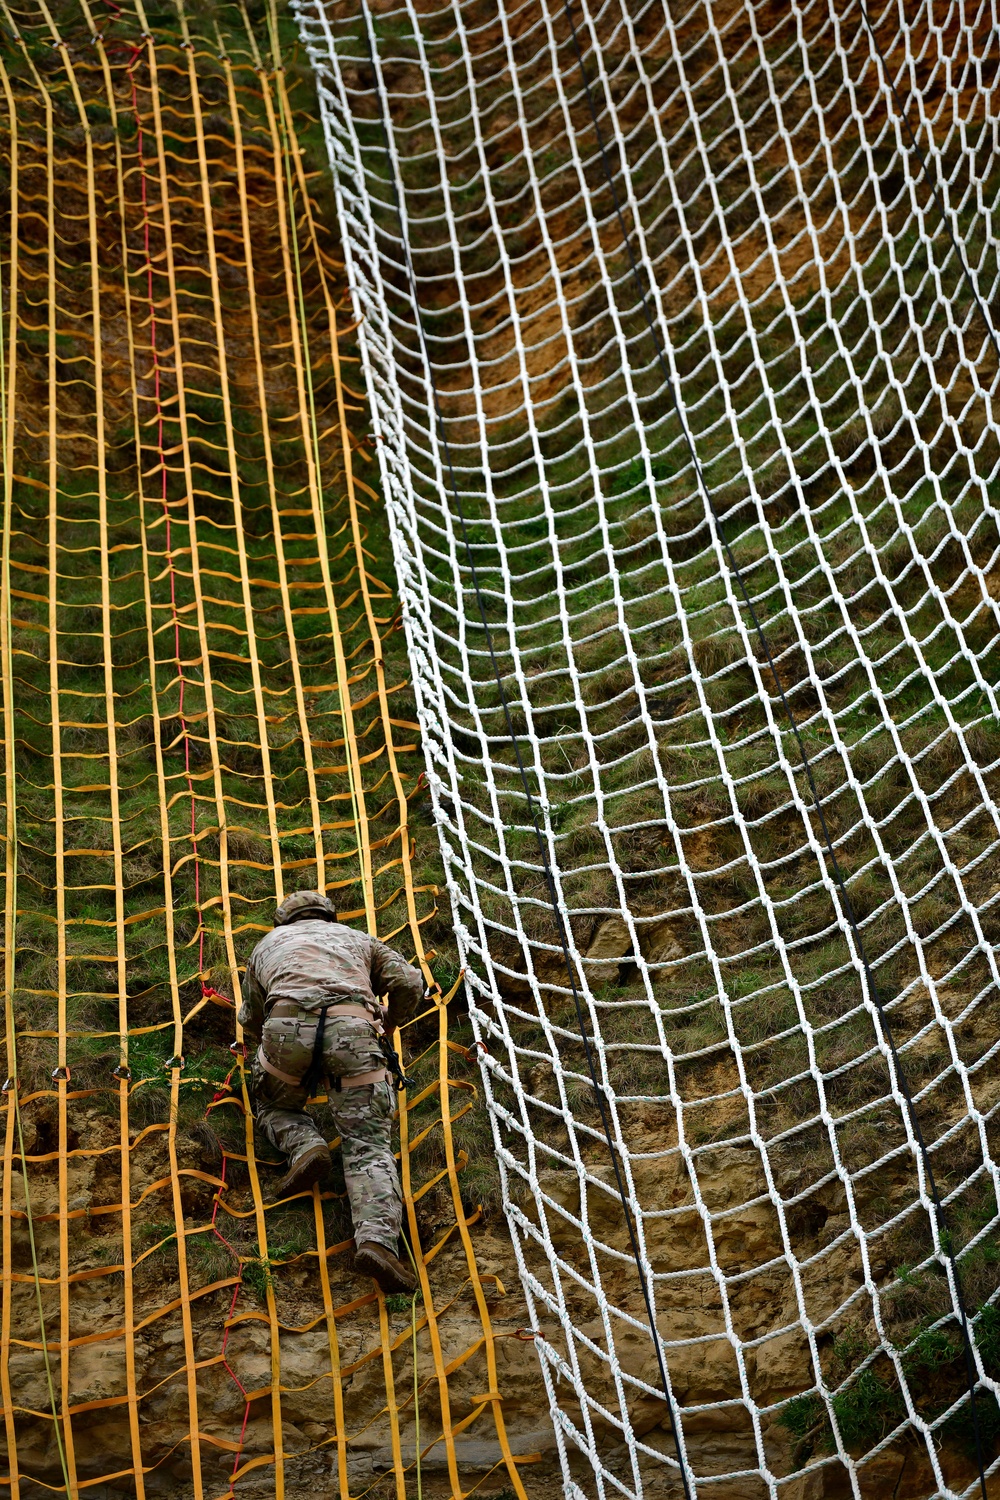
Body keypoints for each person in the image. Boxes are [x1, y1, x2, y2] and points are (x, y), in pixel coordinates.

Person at [238, 889, 426, 1295]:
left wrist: (274, 1051)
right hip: (354, 1028)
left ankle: (305, 1145)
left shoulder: (266, 946)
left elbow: (250, 1018)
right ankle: (377, 1243)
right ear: (329, 916)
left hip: (285, 1024)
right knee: (368, 1145)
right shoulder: (359, 939)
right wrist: (390, 1022)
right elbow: (410, 981)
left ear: (282, 920)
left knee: (273, 1105)